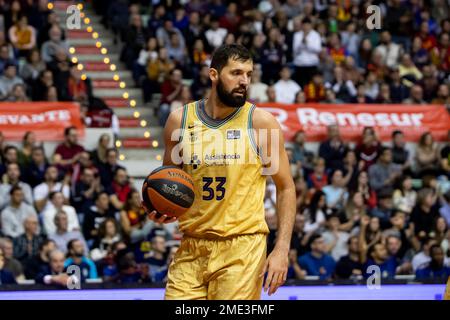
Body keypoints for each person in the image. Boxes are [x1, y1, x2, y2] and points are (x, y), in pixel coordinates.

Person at [141, 44, 296, 299]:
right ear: (213, 74)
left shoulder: (261, 124)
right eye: (236, 73)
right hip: (191, 246)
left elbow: (286, 187)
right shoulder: (179, 121)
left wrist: (281, 249)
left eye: (248, 74)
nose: (244, 81)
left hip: (242, 248)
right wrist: (159, 208)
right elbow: (168, 180)